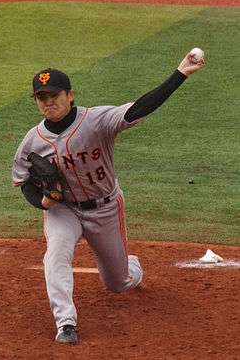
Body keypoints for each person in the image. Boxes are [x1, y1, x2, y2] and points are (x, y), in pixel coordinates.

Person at [12, 51, 204, 344]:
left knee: (118, 283)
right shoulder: (32, 140)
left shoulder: (97, 120)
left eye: (54, 95)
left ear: (70, 95)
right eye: (41, 97)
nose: (48, 102)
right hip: (64, 210)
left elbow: (138, 109)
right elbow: (24, 180)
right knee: (56, 254)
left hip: (105, 209)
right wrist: (43, 202)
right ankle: (66, 322)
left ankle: (131, 267)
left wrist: (180, 74)